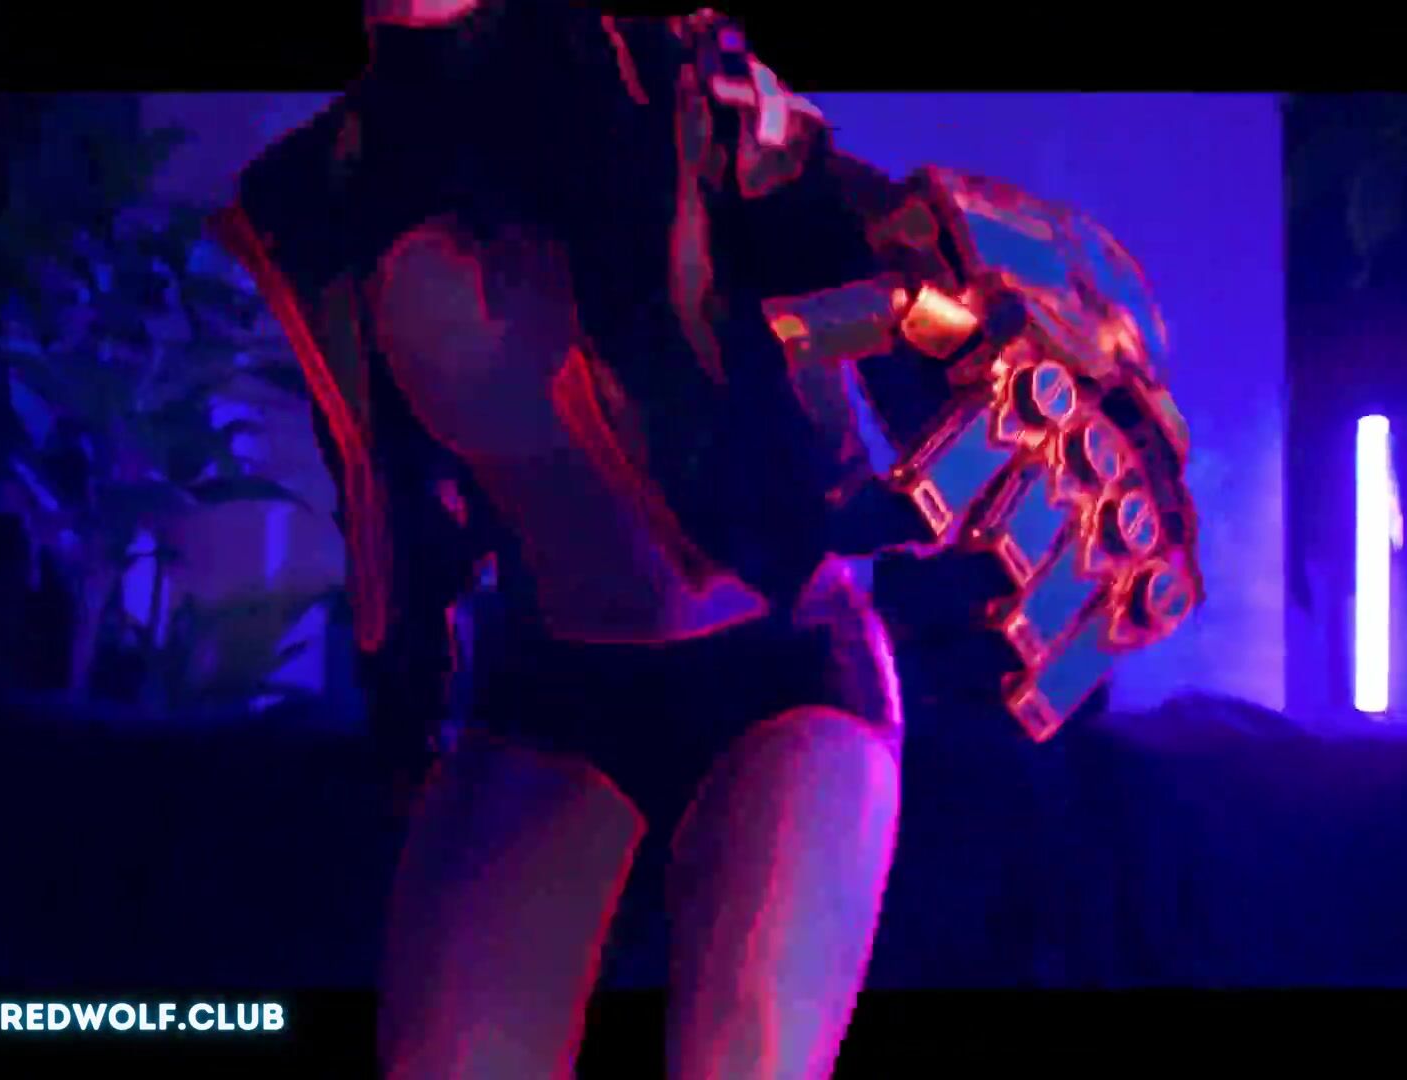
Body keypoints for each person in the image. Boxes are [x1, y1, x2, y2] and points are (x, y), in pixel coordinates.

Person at [211, 2, 1201, 1075]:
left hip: (782, 677)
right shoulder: (318, 202)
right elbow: (390, 509)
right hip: (546, 693)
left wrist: (987, 345)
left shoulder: (680, 100)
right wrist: (404, 711)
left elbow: (870, 267)